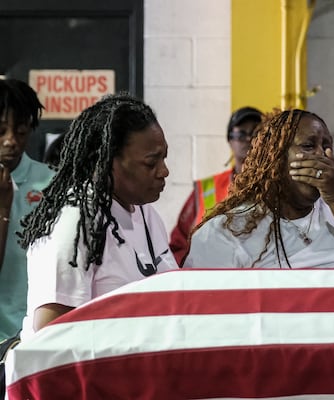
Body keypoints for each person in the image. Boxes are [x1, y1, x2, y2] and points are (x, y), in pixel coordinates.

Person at [17, 93, 178, 341]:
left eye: (164, 157)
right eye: (150, 163)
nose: (164, 171)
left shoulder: (145, 213)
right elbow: (51, 335)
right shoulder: (73, 222)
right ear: (107, 161)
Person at [183, 109, 334, 269]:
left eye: (327, 146)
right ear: (276, 160)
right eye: (308, 146)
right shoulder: (225, 231)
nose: (322, 156)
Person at [0, 79, 55, 396]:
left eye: (20, 132)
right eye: (1, 131)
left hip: (29, 342)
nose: (10, 141)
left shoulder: (50, 184)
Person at [169, 106, 262, 265]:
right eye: (241, 134)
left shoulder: (277, 188)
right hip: (212, 284)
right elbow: (179, 246)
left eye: (256, 134)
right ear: (230, 140)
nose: (249, 140)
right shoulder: (206, 189)